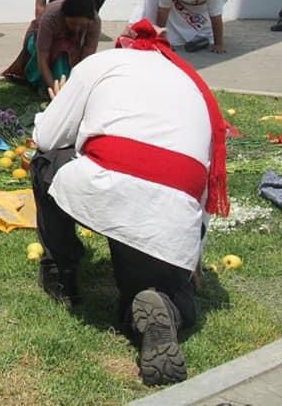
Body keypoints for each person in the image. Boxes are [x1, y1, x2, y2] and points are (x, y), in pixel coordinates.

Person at [30, 19, 229, 386]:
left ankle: (63, 276)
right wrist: (192, 255)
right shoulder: (190, 83)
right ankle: (163, 302)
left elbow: (45, 136)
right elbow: (205, 182)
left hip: (107, 185)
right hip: (174, 204)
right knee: (162, 287)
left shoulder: (99, 65)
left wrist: (61, 106)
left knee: (45, 163)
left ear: (122, 45)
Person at [3, 0, 100, 96]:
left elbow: (87, 59)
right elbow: (43, 57)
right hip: (37, 43)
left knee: (69, 79)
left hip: (71, 48)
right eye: (72, 23)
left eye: (82, 25)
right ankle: (40, 82)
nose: (77, 29)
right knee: (60, 68)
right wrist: (55, 90)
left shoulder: (94, 21)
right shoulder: (51, 17)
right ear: (64, 16)